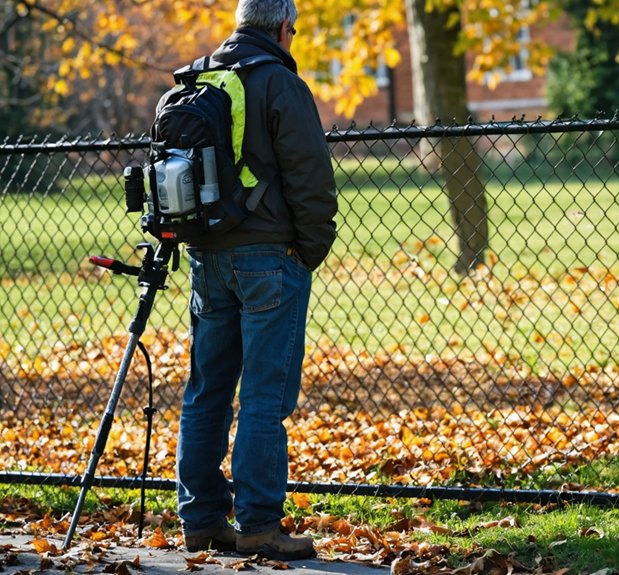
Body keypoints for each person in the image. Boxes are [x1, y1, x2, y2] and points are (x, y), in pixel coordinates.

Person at [174, 0, 337, 561]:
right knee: (265, 398)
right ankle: (261, 526)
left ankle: (200, 521)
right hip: (268, 257)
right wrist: (308, 250)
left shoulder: (199, 76)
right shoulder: (279, 83)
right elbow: (310, 175)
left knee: (207, 392)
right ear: (284, 25)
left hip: (206, 255)